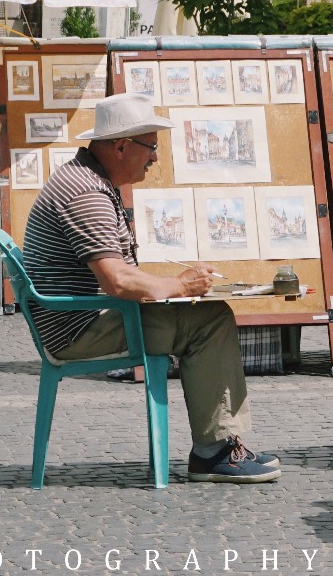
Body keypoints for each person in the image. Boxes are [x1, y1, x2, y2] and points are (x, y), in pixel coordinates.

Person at [21, 92, 281, 483]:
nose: (155, 158)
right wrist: (178, 285)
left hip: (76, 317)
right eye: (151, 147)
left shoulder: (85, 178)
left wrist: (177, 287)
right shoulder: (86, 192)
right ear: (121, 146)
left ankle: (218, 447)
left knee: (203, 312)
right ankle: (215, 450)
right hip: (78, 329)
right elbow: (118, 280)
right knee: (210, 321)